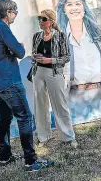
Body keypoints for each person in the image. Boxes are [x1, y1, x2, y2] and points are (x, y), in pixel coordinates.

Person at [0, 0, 53, 172]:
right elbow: (21, 52)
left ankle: (5, 157)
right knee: (25, 118)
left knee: (5, 120)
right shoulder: (2, 28)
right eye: (15, 12)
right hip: (10, 81)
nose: (15, 15)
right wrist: (17, 47)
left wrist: (9, 50)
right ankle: (31, 161)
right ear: (8, 13)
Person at [56, 0, 101, 120]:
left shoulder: (97, 34)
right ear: (64, 10)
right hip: (74, 97)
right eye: (69, 4)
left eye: (78, 3)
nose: (74, 8)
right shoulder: (59, 39)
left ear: (84, 7)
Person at [31, 9, 77, 147]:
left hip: (54, 72)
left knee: (60, 104)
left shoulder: (61, 36)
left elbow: (67, 57)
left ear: (51, 21)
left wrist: (50, 60)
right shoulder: (36, 36)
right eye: (39, 18)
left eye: (43, 19)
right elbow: (34, 52)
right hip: (38, 71)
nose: (40, 21)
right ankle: (43, 136)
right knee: (40, 104)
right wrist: (35, 57)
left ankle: (68, 137)